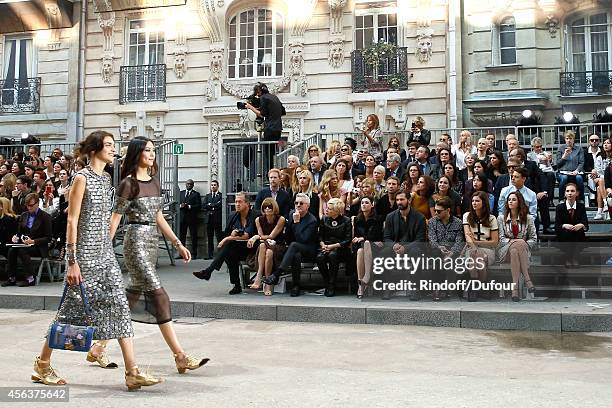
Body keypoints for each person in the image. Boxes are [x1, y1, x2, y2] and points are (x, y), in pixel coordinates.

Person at [30, 131, 162, 390]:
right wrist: (72, 261)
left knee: (120, 307)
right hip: (84, 257)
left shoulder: (106, 180)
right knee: (70, 314)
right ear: (94, 149)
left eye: (114, 146)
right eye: (109, 145)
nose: (114, 150)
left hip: (105, 254)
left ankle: (132, 372)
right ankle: (42, 364)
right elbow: (72, 220)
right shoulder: (82, 178)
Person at [110, 136, 208, 374]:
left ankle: (99, 347)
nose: (152, 154)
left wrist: (177, 243)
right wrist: (103, 247)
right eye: (146, 150)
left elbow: (158, 217)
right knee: (160, 297)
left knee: (131, 297)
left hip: (152, 242)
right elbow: (115, 219)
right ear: (136, 154)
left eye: (153, 150)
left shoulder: (154, 182)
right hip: (134, 242)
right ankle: (180, 356)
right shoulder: (128, 184)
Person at [194, 192, 256, 294]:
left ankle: (209, 271)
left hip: (252, 248)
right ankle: (236, 285)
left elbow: (247, 235)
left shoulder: (254, 215)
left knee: (229, 245)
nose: (237, 204)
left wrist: (228, 238)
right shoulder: (233, 216)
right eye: (236, 202)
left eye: (240, 202)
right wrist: (231, 235)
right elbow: (227, 233)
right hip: (237, 247)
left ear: (247, 203)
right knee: (229, 253)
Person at [263, 193, 318, 297]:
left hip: (309, 250)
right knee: (295, 254)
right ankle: (296, 286)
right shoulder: (292, 214)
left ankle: (276, 274)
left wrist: (297, 223)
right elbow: (288, 237)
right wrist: (291, 223)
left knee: (294, 245)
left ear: (307, 206)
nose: (298, 205)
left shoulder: (312, 220)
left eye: (301, 203)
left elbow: (303, 240)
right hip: (294, 249)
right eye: (296, 203)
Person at [383, 191, 427, 300]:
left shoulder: (420, 217)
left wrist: (405, 248)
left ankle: (415, 288)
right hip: (396, 248)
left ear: (409, 200)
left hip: (412, 247)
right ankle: (387, 288)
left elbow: (421, 240)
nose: (399, 202)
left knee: (416, 252)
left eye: (402, 199)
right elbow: (386, 238)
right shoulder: (390, 217)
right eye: (397, 200)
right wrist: (394, 246)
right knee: (383, 253)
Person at [1, 192, 52, 287]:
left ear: (37, 203)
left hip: (39, 246)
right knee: (12, 250)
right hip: (25, 244)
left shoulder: (45, 217)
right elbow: (19, 232)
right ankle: (11, 277)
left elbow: (48, 237)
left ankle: (30, 278)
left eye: (31, 205)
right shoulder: (24, 215)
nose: (29, 208)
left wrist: (33, 241)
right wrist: (15, 237)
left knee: (22, 250)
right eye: (27, 205)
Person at [497, 191, 537, 302]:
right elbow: (501, 239)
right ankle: (528, 280)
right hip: (505, 252)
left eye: (514, 199)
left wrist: (522, 244)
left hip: (521, 252)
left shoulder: (528, 218)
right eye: (509, 200)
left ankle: (514, 289)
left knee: (515, 250)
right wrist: (517, 241)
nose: (511, 201)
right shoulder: (501, 218)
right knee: (517, 245)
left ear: (519, 202)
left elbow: (534, 238)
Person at [463, 191, 499, 301]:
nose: (474, 203)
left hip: (488, 250)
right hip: (471, 248)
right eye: (473, 201)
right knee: (475, 259)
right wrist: (474, 247)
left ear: (484, 203)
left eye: (477, 201)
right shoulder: (467, 216)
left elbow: (494, 242)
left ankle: (474, 288)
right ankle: (480, 287)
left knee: (477, 258)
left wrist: (477, 243)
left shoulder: (492, 218)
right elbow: (467, 236)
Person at [428, 197, 465, 300]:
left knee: (452, 260)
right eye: (435, 210)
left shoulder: (458, 222)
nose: (435, 213)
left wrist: (451, 253)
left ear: (448, 210)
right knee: (436, 257)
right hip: (438, 249)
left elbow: (459, 241)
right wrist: (440, 248)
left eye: (438, 211)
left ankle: (448, 289)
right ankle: (437, 288)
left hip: (453, 250)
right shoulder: (432, 222)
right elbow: (432, 240)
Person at [246, 198, 286, 296]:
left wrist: (256, 236)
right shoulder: (258, 220)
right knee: (266, 249)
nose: (267, 209)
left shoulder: (281, 219)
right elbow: (262, 237)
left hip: (278, 245)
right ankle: (267, 281)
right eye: (265, 207)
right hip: (264, 247)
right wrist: (259, 237)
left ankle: (260, 277)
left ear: (274, 207)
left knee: (267, 249)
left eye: (270, 207)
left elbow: (272, 236)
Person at [245, 82, 286, 171]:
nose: (257, 96)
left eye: (257, 93)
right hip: (278, 129)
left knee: (268, 154)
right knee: (273, 153)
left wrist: (250, 107)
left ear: (259, 91)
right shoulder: (274, 97)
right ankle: (274, 172)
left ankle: (270, 174)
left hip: (270, 129)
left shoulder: (263, 98)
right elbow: (283, 111)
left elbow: (261, 115)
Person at [316, 198, 351, 297]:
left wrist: (333, 246)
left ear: (337, 211)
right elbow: (319, 236)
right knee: (320, 257)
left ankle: (332, 285)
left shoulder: (346, 220)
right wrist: (323, 244)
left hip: (340, 248)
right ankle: (327, 282)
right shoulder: (324, 219)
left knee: (333, 255)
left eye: (329, 209)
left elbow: (347, 239)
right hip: (325, 246)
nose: (326, 210)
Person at [352, 196, 383, 298]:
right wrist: (362, 239)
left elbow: (376, 236)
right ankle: (361, 284)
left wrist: (363, 238)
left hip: (374, 247)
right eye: (362, 203)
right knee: (361, 250)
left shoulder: (378, 218)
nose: (363, 205)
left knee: (366, 243)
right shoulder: (357, 219)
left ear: (372, 205)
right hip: (360, 247)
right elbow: (356, 237)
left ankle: (366, 277)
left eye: (366, 202)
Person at [555, 183, 588, 268]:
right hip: (564, 235)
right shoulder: (559, 207)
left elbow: (586, 225)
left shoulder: (581, 206)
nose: (570, 193)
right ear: (565, 193)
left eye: (572, 191)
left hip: (578, 236)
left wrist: (580, 225)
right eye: (567, 191)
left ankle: (575, 258)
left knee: (578, 231)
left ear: (577, 193)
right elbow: (557, 226)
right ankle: (568, 259)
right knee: (567, 232)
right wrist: (564, 225)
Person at [556, 130, 585, 199]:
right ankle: (561, 199)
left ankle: (581, 198)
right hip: (563, 173)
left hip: (576, 172)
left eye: (570, 138)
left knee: (579, 178)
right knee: (564, 178)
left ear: (573, 139)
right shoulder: (561, 148)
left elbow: (581, 162)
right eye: (567, 138)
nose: (569, 140)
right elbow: (558, 164)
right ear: (565, 139)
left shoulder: (579, 149)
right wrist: (564, 156)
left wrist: (576, 171)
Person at [179, 179, 202, 259]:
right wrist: (180, 206)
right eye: (188, 184)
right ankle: (182, 254)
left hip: (192, 218)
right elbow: (176, 204)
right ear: (185, 184)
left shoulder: (196, 194)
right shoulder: (181, 193)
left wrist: (189, 206)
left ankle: (194, 254)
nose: (189, 185)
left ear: (193, 185)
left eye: (191, 184)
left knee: (193, 236)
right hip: (182, 218)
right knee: (182, 236)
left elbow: (199, 206)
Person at [203, 180, 223, 259]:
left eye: (214, 185)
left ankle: (220, 254)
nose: (213, 186)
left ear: (218, 186)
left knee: (219, 237)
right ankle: (210, 254)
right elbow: (204, 205)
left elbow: (220, 205)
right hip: (209, 219)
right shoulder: (207, 196)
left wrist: (210, 205)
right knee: (209, 237)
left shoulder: (221, 195)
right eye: (212, 185)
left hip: (217, 219)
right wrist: (214, 206)